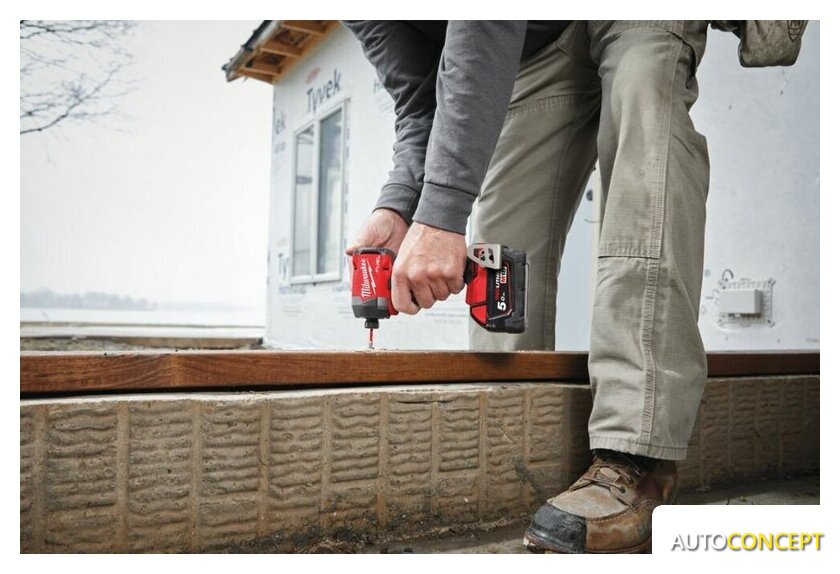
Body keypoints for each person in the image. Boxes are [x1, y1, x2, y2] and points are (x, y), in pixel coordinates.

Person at [343, 20, 709, 554]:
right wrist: (399, 204)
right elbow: (422, 100)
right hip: (530, 51)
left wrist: (441, 215)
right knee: (501, 256)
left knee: (644, 129)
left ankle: (638, 459)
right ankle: (515, 454)